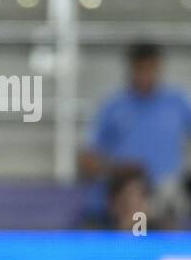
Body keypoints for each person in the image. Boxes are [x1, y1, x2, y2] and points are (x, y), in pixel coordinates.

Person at [79, 42, 191, 228]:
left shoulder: (177, 103)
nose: (145, 76)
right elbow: (87, 159)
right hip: (120, 201)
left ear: (158, 67)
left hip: (165, 204)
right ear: (130, 68)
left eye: (150, 69)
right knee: (132, 220)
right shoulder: (112, 106)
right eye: (140, 69)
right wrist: (120, 173)